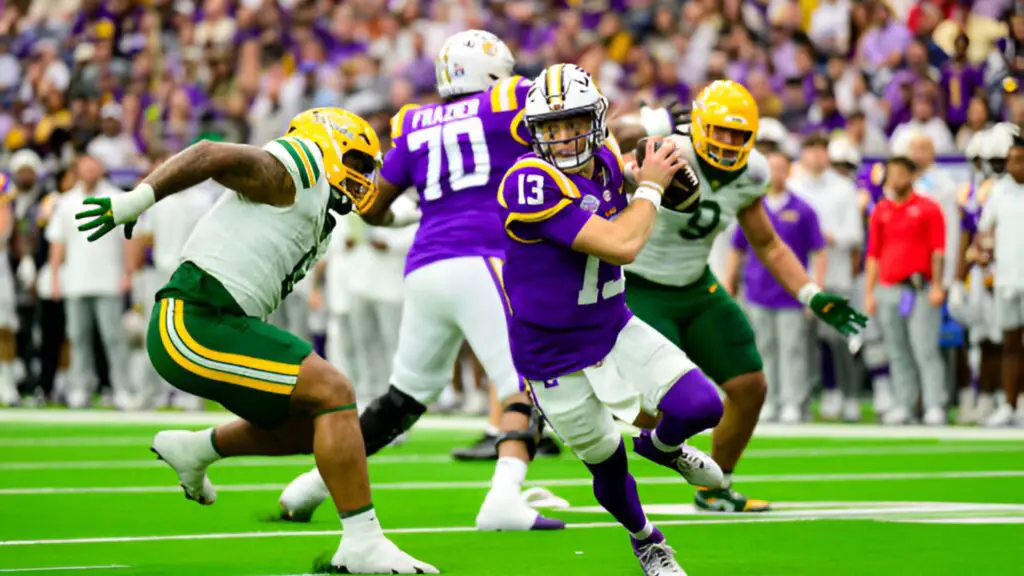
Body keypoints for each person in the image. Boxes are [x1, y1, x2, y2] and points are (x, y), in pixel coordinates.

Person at [74, 107, 437, 574]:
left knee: (321, 428)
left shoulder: (321, 197)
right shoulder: (298, 164)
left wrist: (418, 209)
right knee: (335, 391)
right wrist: (138, 199)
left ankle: (198, 448)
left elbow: (376, 213)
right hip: (194, 318)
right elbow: (208, 154)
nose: (366, 177)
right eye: (360, 163)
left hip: (219, 322)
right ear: (324, 143)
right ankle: (363, 542)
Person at [276, 29, 566, 532]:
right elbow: (565, 116)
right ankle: (503, 499)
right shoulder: (512, 100)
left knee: (403, 398)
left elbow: (371, 206)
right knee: (526, 384)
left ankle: (309, 486)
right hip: (483, 258)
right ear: (491, 72)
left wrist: (416, 214)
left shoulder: (413, 121)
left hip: (426, 266)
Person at [501, 63, 726, 576]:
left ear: (595, 120)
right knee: (606, 460)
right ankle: (647, 541)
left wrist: (665, 164)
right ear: (536, 132)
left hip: (611, 325)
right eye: (551, 128)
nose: (562, 138)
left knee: (702, 405)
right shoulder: (527, 182)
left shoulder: (605, 159)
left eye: (573, 123)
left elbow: (684, 200)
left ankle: (662, 446)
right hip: (549, 353)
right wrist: (649, 187)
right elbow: (622, 245)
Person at [621, 80, 868, 512]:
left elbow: (768, 244)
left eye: (738, 134)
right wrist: (646, 122)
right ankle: (581, 402)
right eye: (720, 130)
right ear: (697, 125)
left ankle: (715, 487)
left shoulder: (753, 171)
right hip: (639, 283)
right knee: (654, 403)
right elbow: (611, 139)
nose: (729, 142)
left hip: (697, 284)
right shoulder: (666, 148)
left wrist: (810, 293)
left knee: (750, 386)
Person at [724, 148, 828, 424]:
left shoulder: (803, 210)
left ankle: (794, 402)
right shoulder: (752, 207)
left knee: (793, 350)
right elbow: (737, 249)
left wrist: (815, 289)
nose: (776, 174)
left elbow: (819, 251)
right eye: (771, 169)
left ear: (789, 171)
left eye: (781, 168)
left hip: (791, 294)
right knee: (763, 350)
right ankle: (769, 401)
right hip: (758, 291)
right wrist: (729, 283)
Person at [864, 155, 947, 426]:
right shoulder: (881, 210)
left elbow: (938, 250)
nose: (895, 177)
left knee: (924, 348)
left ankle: (935, 404)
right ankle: (905, 404)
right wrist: (869, 292)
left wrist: (937, 285)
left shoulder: (928, 208)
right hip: (888, 287)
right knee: (896, 350)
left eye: (901, 172)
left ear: (912, 175)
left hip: (919, 288)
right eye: (892, 172)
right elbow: (873, 254)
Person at [978, 131, 1024, 427]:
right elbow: (985, 231)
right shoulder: (998, 190)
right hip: (1007, 279)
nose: (1014, 166)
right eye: (1010, 161)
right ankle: (1009, 404)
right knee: (1009, 345)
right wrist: (983, 251)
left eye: (1019, 160)